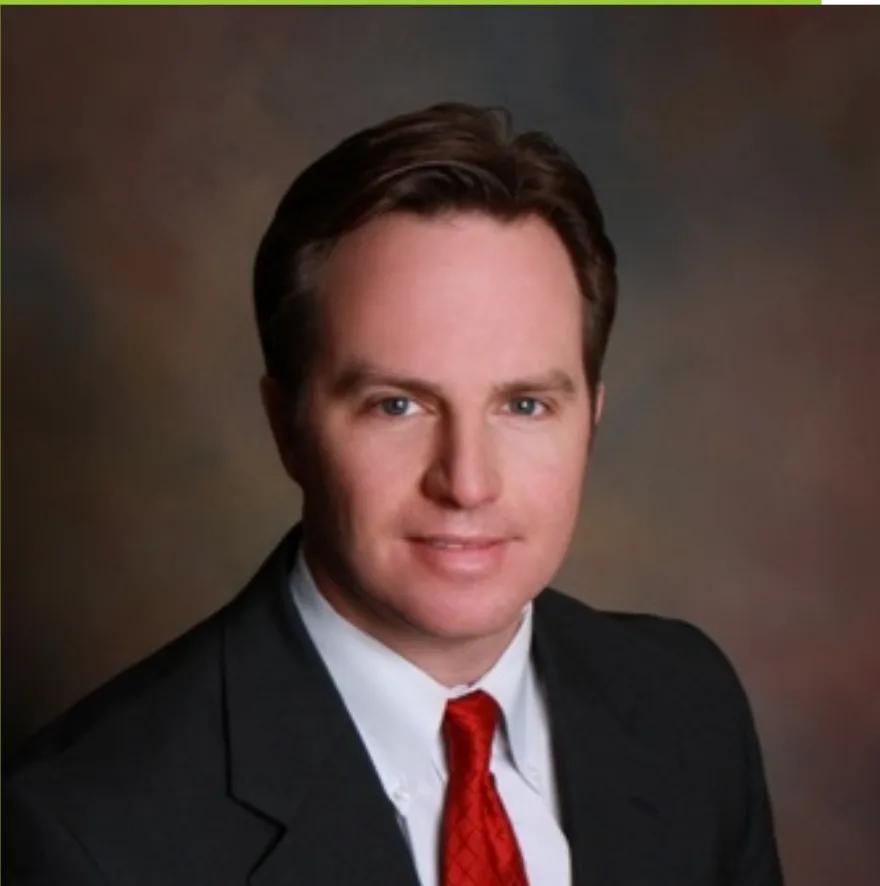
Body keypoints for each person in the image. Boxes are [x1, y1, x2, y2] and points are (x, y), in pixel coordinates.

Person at [3, 103, 784, 886]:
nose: (467, 482)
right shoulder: (85, 833)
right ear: (288, 427)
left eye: (524, 405)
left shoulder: (688, 706)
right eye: (397, 405)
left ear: (591, 419)